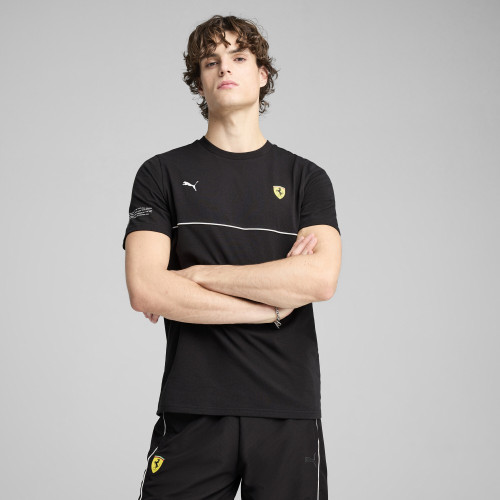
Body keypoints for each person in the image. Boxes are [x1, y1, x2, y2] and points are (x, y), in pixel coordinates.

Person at [122, 14, 342, 500]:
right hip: (194, 407)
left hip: (288, 410)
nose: (224, 68)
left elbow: (320, 279)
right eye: (210, 61)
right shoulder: (160, 174)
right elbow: (146, 288)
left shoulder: (306, 178)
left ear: (262, 74)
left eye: (238, 57)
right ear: (199, 81)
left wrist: (198, 274)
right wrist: (270, 308)